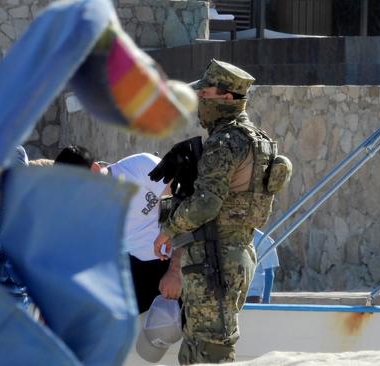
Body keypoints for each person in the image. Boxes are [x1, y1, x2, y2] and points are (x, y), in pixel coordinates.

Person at [153, 60, 289, 364]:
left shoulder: (225, 142)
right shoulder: (260, 140)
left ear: (228, 98)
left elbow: (207, 204)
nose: (199, 101)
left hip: (215, 258)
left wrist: (168, 228)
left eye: (205, 95)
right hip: (237, 252)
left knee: (209, 352)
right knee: (204, 344)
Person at [54, 146, 180, 312]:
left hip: (182, 255)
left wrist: (175, 270)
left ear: (95, 169)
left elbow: (189, 205)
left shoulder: (139, 167)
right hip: (143, 268)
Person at [246, 229, 279, 304]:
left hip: (252, 295)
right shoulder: (233, 236)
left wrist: (266, 300)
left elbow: (269, 273)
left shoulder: (264, 239)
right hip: (234, 292)